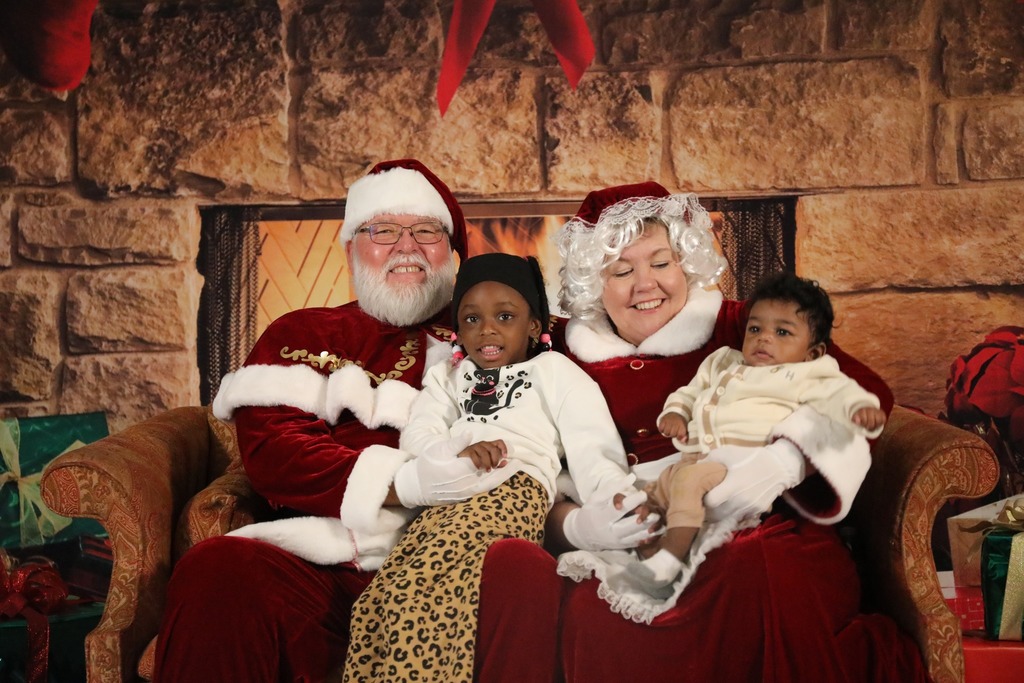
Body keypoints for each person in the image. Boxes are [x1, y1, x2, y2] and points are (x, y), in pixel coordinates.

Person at [152, 160, 577, 682]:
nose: (406, 246)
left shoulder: (517, 327)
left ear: (454, 252)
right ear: (352, 246)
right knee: (217, 572)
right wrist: (407, 484)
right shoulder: (305, 333)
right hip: (334, 558)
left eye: (426, 231)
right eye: (383, 231)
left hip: (472, 556)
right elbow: (275, 453)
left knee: (526, 585)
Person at [547, 182, 928, 681]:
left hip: (759, 517)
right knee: (591, 613)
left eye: (661, 263)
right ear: (593, 282)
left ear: (686, 260)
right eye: (622, 270)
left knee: (753, 569)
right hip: (633, 535)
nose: (646, 285)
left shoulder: (746, 325)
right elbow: (529, 456)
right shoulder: (562, 356)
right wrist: (575, 522)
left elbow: (864, 391)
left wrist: (783, 461)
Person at [343, 252, 640, 682]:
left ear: (534, 325)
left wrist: (612, 501)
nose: (487, 330)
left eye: (505, 316)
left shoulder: (554, 372)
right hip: (442, 501)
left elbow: (592, 446)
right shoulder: (448, 377)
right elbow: (420, 437)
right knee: (381, 597)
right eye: (471, 319)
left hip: (510, 490)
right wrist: (455, 451)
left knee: (429, 591)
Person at [631, 271, 886, 601]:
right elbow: (690, 392)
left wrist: (861, 409)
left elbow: (841, 394)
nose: (764, 338)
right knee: (656, 492)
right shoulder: (723, 360)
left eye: (782, 332)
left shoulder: (809, 373)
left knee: (686, 485)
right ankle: (648, 548)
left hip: (739, 463)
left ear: (812, 352)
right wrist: (676, 413)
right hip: (694, 457)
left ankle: (670, 558)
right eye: (755, 328)